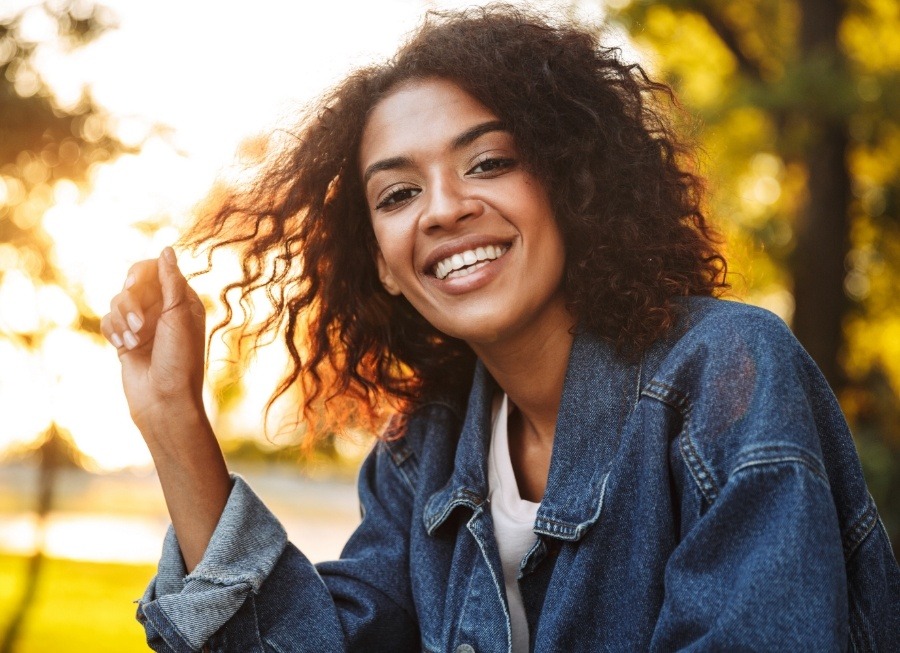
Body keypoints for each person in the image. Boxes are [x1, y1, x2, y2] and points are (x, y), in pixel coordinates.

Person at [102, 6, 899, 652]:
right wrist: (172, 415)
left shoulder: (728, 374)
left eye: (487, 163)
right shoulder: (421, 454)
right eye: (397, 194)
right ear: (379, 260)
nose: (444, 207)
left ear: (570, 180)